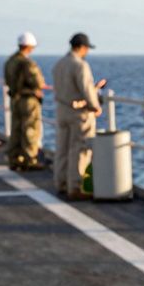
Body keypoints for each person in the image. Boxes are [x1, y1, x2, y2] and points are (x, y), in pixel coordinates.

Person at [53, 32, 105, 199]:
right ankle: (75, 186)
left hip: (62, 110)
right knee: (79, 148)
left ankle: (61, 182)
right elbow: (86, 89)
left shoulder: (59, 64)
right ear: (82, 47)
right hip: (78, 114)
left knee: (62, 147)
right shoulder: (80, 66)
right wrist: (95, 107)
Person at [3, 31, 46, 171]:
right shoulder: (27, 63)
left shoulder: (9, 61)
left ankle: (14, 158)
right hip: (28, 100)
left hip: (15, 99)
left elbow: (8, 80)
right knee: (30, 129)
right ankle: (29, 159)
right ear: (29, 46)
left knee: (16, 129)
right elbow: (38, 82)